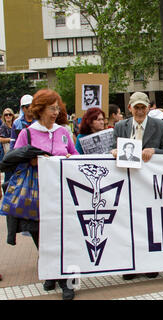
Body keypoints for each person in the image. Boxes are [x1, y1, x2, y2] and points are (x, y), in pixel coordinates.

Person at [8, 89, 78, 300]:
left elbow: (75, 155)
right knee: (41, 236)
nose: (56, 112)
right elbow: (12, 159)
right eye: (51, 108)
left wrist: (68, 157)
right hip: (35, 194)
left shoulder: (64, 132)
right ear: (40, 109)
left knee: (60, 236)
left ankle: (63, 280)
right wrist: (31, 160)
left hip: (60, 193)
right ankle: (52, 272)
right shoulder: (26, 133)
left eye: (58, 107)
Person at [111, 91, 163, 281]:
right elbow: (112, 148)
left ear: (148, 108)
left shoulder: (162, 126)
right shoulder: (121, 127)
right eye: (136, 107)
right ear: (130, 108)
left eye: (142, 107)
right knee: (128, 224)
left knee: (150, 225)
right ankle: (130, 264)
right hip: (127, 184)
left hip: (149, 186)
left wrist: (155, 151)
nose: (139, 111)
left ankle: (150, 263)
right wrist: (113, 151)